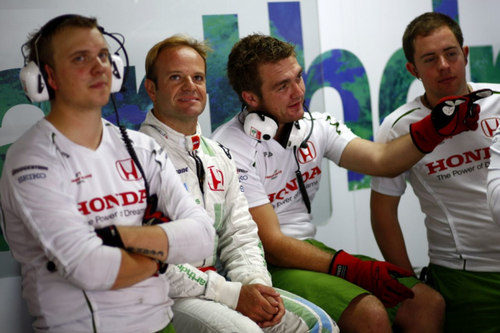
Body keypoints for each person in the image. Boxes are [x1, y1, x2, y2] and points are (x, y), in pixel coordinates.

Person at [209, 31, 487, 332]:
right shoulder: (229, 147)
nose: (298, 92)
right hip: (260, 266)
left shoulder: (311, 125)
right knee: (369, 313)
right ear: (250, 98)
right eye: (282, 86)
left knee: (425, 302)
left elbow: (380, 160)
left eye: (298, 78)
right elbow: (272, 244)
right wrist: (351, 267)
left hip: (305, 249)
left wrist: (433, 130)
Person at [0, 14, 215, 333]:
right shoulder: (30, 159)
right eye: (80, 58)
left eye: (103, 55)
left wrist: (117, 236)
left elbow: (203, 238)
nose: (100, 67)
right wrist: (163, 253)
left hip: (161, 322)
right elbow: (91, 268)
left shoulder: (140, 147)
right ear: (48, 78)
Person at [139, 34, 338, 333]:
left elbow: (241, 233)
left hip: (224, 288)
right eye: (176, 77)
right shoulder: (135, 158)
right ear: (152, 89)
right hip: (164, 295)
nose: (190, 86)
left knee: (318, 325)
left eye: (198, 77)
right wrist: (231, 294)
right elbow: (151, 259)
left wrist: (255, 287)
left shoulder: (216, 154)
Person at [371, 12, 500, 332]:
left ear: (465, 55)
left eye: (451, 53)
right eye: (430, 59)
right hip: (465, 278)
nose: (444, 65)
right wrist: (409, 286)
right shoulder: (399, 126)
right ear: (412, 69)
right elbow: (383, 213)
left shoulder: (498, 100)